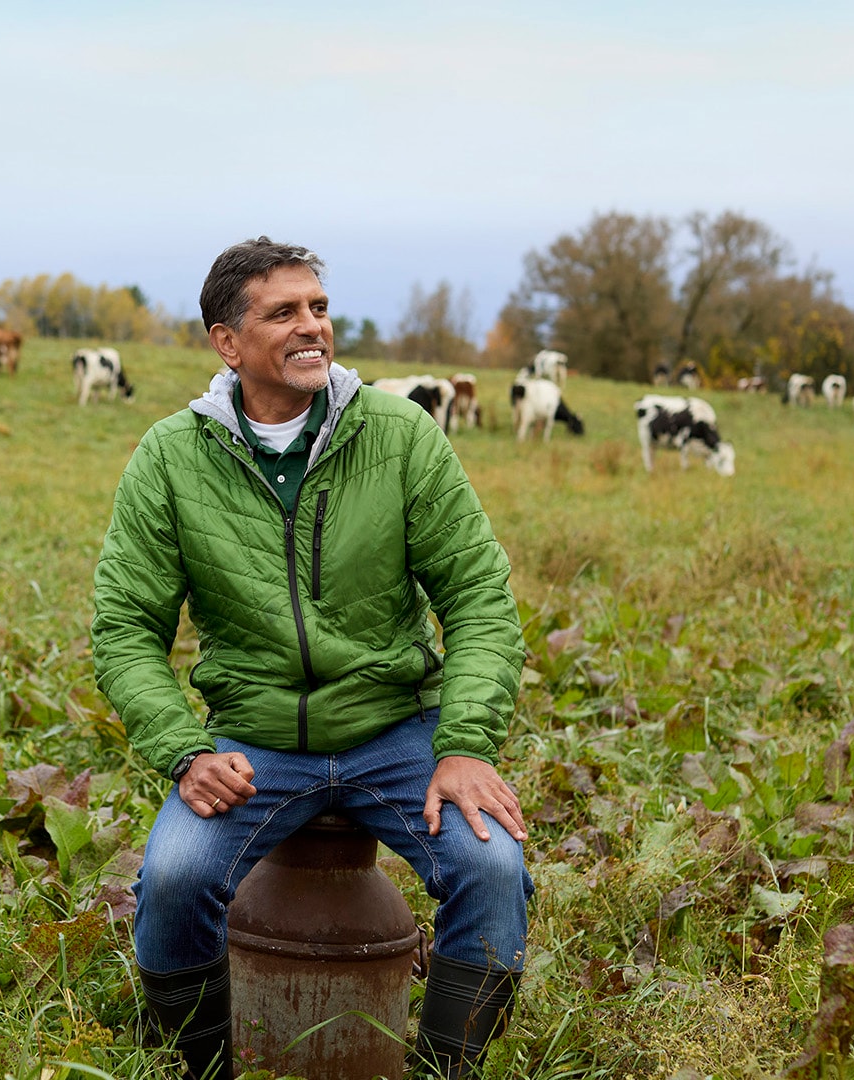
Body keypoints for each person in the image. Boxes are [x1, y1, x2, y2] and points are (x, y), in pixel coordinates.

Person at [91, 237, 532, 1080]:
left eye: (319, 308)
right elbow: (124, 629)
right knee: (175, 878)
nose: (312, 327)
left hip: (394, 729)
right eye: (283, 313)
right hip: (254, 742)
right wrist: (185, 751)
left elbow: (479, 597)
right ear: (227, 343)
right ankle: (203, 1068)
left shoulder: (400, 436)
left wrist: (465, 746)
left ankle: (445, 1070)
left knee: (491, 864)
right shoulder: (171, 458)